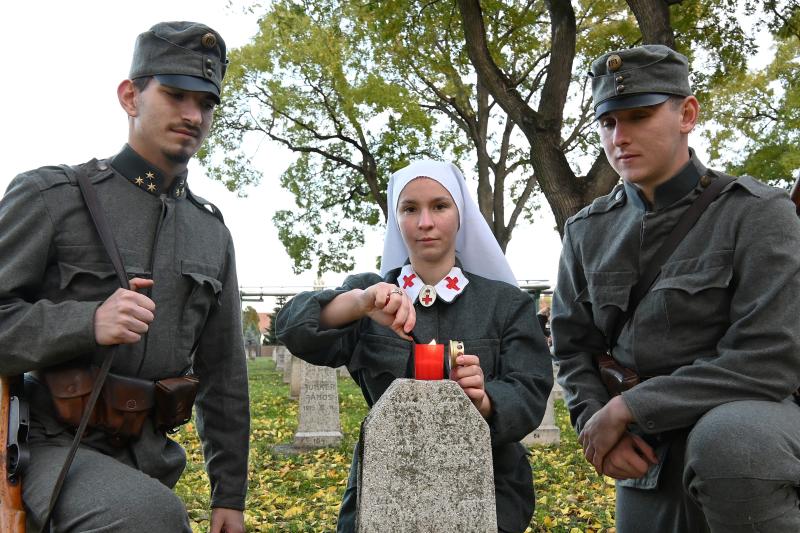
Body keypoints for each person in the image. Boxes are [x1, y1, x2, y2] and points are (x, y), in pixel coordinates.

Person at [0, 22, 249, 532]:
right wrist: (86, 321)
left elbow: (224, 375)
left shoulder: (211, 234)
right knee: (148, 517)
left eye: (206, 104)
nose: (192, 115)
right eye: (176, 95)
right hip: (48, 447)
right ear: (130, 96)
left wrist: (230, 495)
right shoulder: (52, 198)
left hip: (149, 455)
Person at [551, 44, 800, 532]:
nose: (619, 137)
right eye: (608, 123)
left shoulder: (757, 214)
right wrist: (594, 422)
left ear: (687, 114)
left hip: (750, 445)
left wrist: (629, 406)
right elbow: (573, 346)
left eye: (639, 117)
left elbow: (770, 356)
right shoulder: (587, 232)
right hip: (649, 459)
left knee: (730, 444)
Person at [276, 160, 553, 533]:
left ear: (460, 215)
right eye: (410, 209)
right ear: (397, 219)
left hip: (489, 489)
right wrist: (358, 304)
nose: (425, 222)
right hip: (383, 492)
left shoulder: (506, 304)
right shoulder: (372, 295)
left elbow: (531, 391)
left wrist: (484, 400)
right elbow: (292, 328)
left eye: (439, 206)